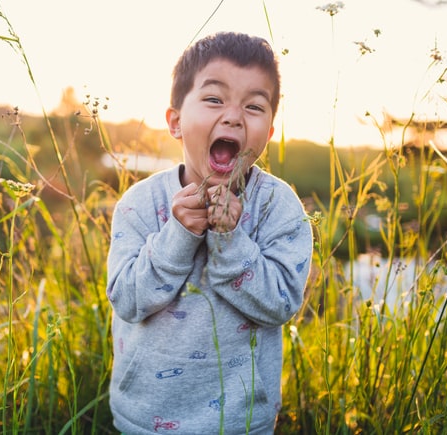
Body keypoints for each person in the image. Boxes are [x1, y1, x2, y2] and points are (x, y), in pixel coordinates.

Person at [106, 31, 313, 434]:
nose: (234, 116)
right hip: (145, 417)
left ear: (269, 132)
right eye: (214, 99)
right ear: (176, 122)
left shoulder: (278, 206)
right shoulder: (138, 204)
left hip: (238, 422)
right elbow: (127, 300)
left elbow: (282, 303)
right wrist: (177, 235)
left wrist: (231, 239)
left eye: (254, 106)